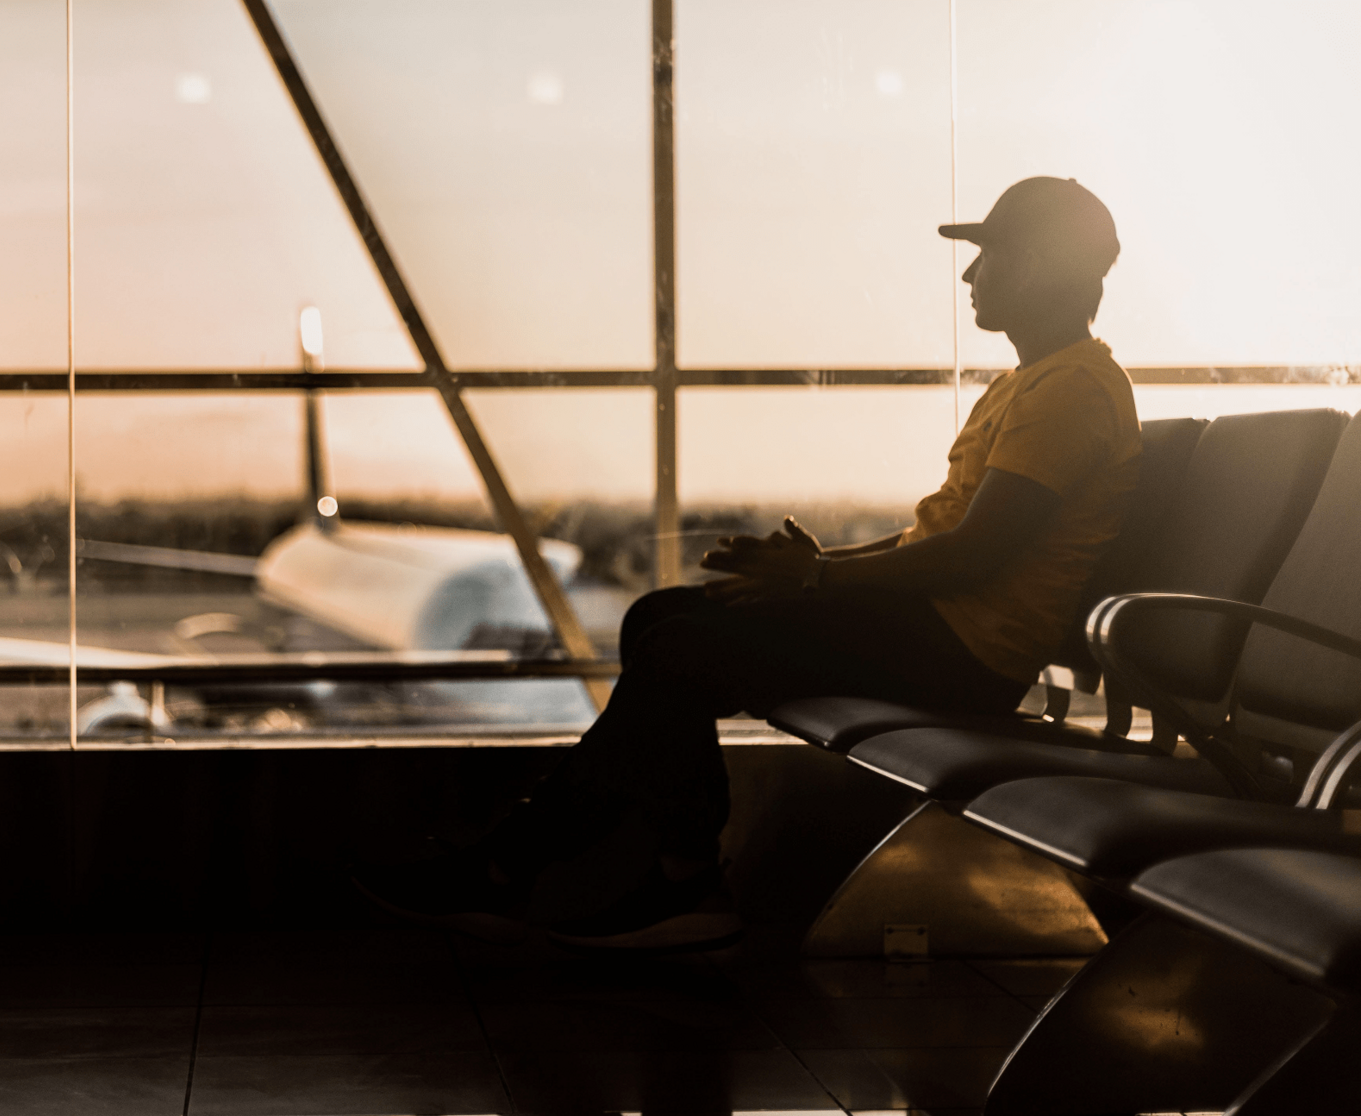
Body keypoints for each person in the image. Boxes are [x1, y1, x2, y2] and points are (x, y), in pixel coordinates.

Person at [355, 176, 1141, 952]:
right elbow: (936, 541)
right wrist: (815, 566)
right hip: (935, 630)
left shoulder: (1070, 390)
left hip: (963, 655)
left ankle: (523, 868)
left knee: (680, 648)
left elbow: (973, 556)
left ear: (1034, 263)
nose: (970, 276)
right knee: (659, 616)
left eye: (988, 255)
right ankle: (676, 876)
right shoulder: (1031, 384)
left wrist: (822, 580)